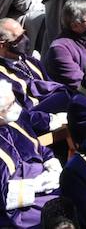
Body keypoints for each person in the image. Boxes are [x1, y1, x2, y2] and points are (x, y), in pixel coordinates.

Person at [0, 81, 62, 228]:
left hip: (46, 183)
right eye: (10, 105)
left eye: (14, 100)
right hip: (18, 210)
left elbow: (40, 149)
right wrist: (36, 186)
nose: (16, 108)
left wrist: (52, 167)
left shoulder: (16, 121)